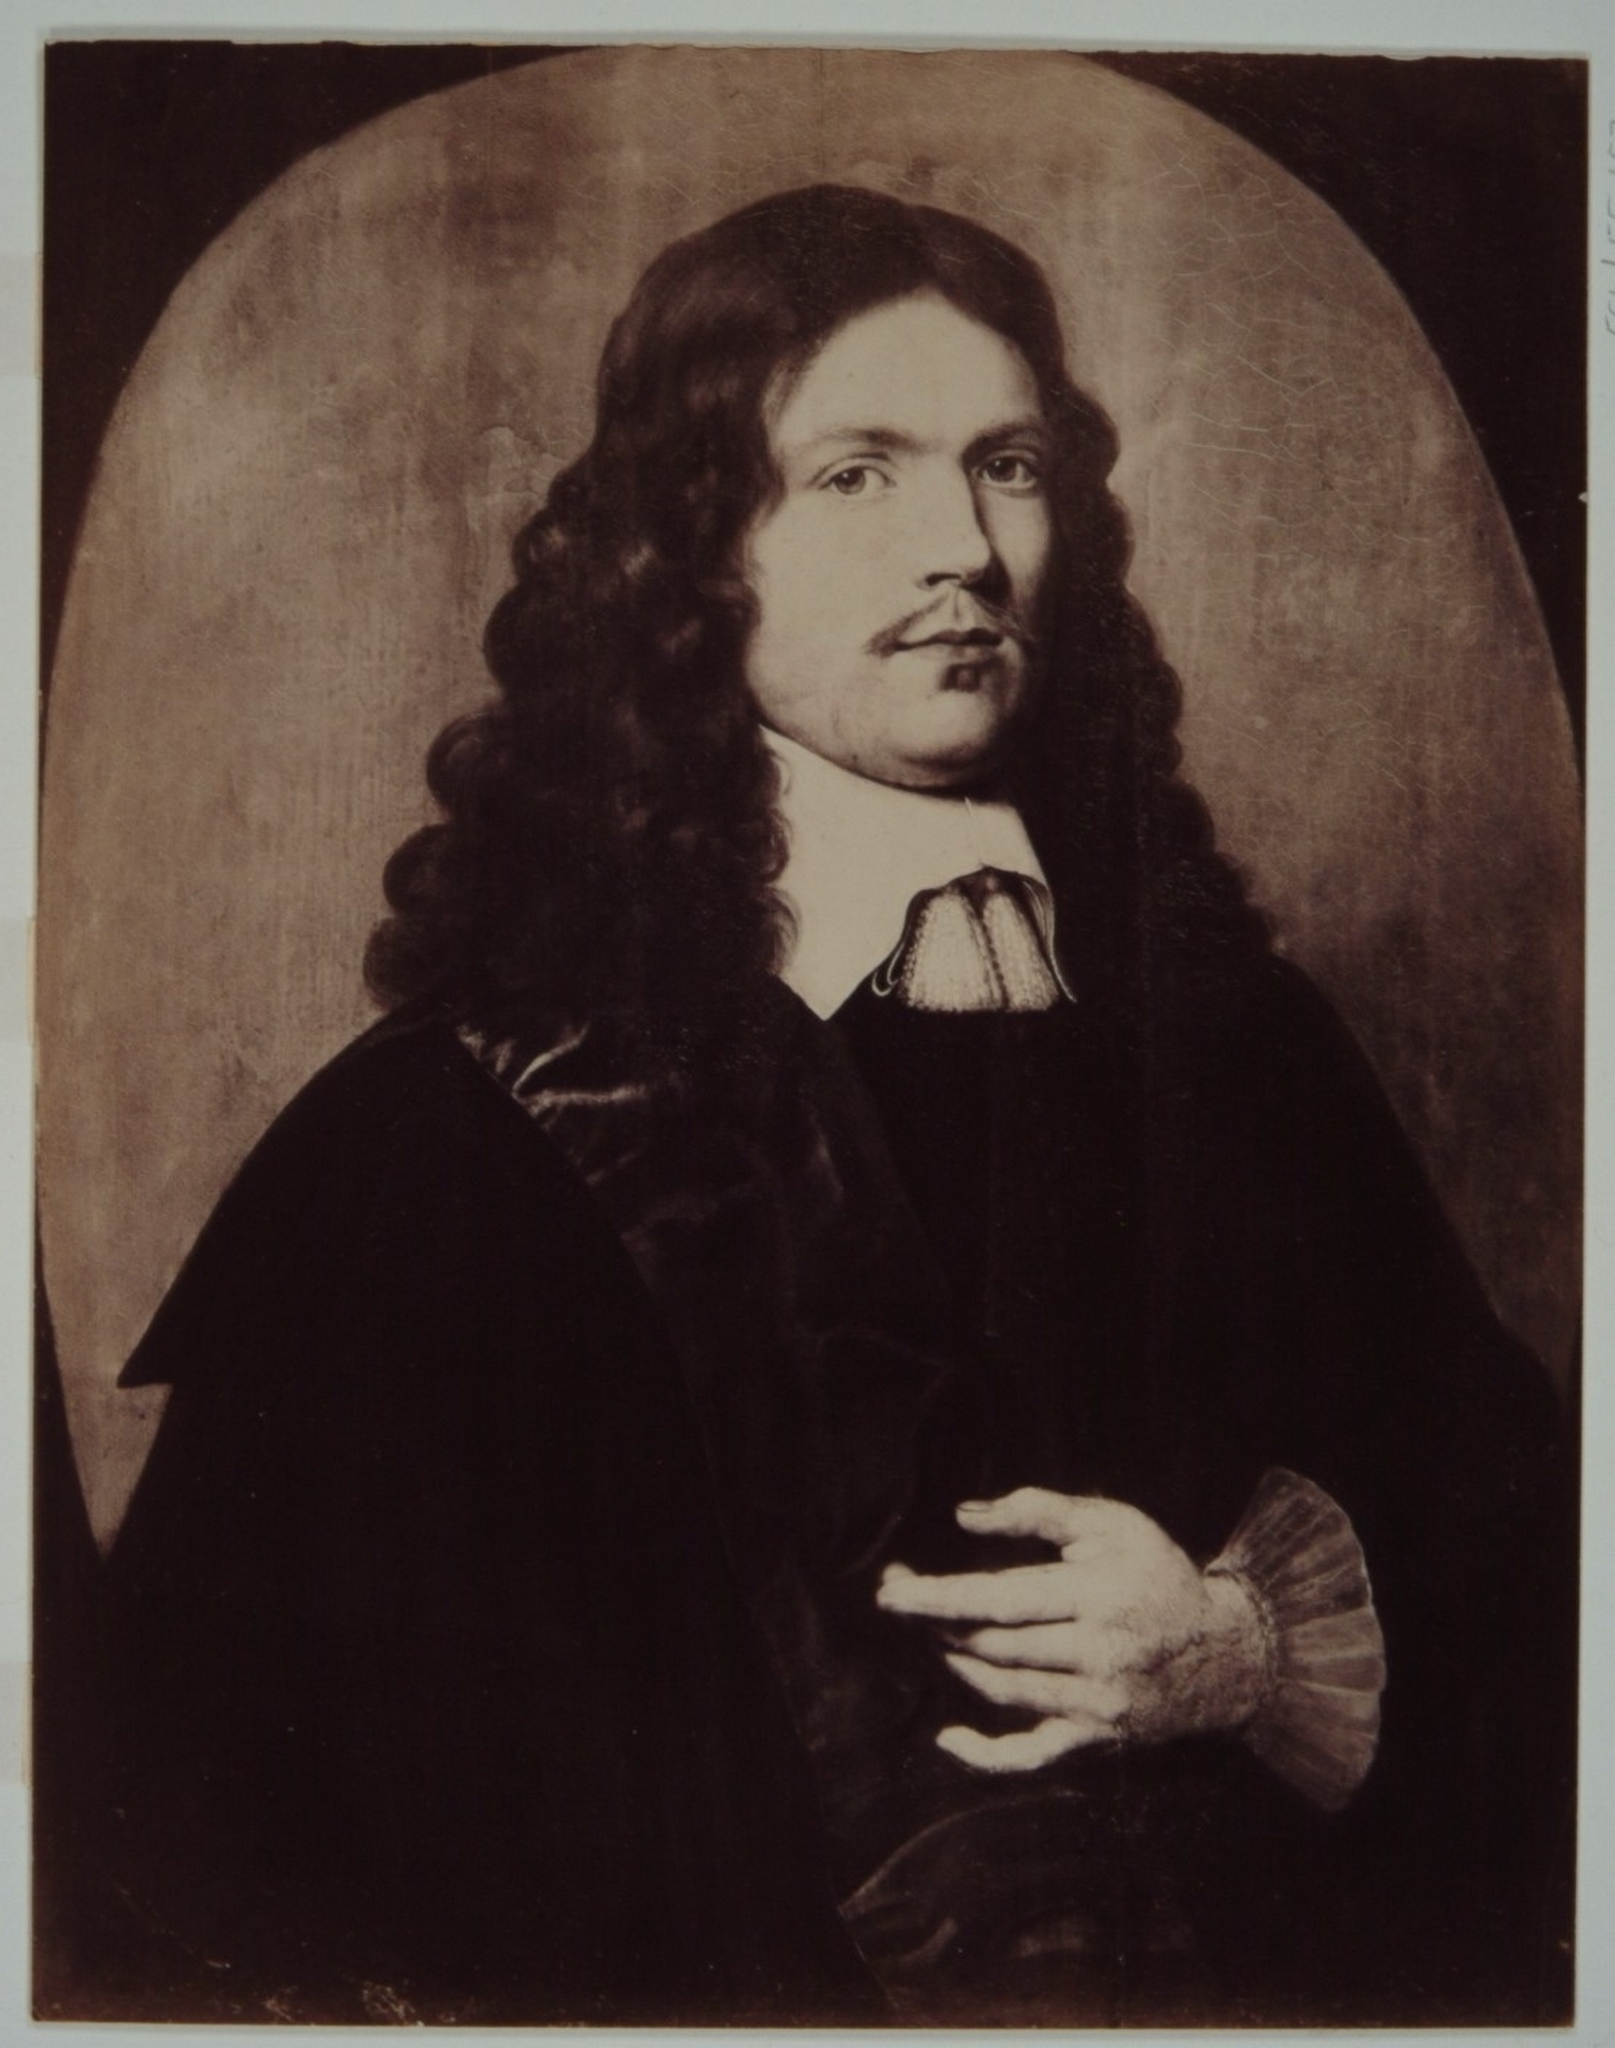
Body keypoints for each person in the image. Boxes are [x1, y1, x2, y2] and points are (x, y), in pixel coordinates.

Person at [74, 185, 1572, 2027]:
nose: (967, 550)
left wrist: (1251, 1649)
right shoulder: (442, 1145)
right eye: (857, 474)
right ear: (690, 558)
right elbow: (211, 1853)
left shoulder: (1243, 1044)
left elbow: (1533, 1565)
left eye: (1008, 468)